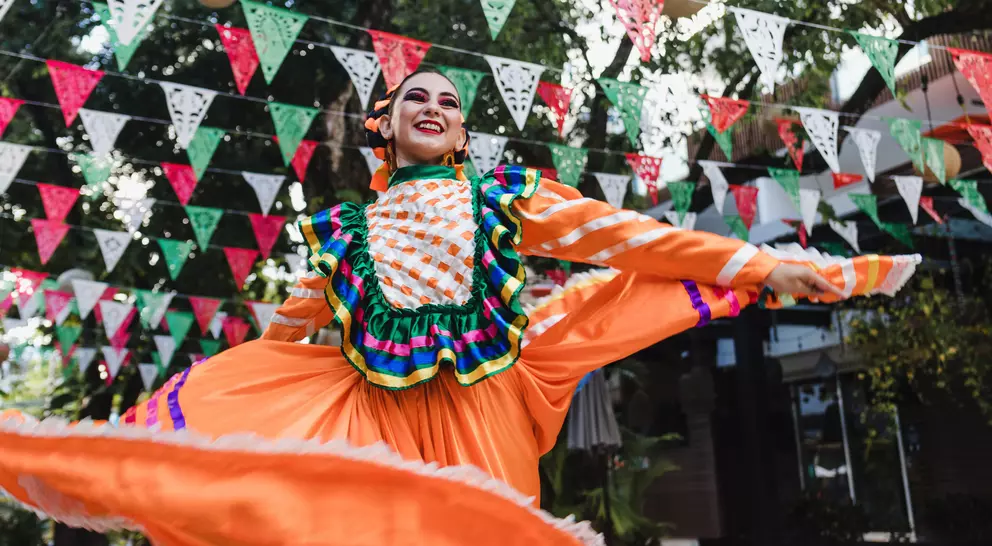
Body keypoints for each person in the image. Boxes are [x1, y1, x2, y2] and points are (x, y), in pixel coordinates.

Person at [0, 70, 920, 545]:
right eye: (415, 99)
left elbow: (637, 240)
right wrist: (240, 407)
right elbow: (291, 328)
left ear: (464, 132)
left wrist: (757, 262)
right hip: (380, 425)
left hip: (487, 419)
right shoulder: (342, 231)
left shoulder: (505, 196)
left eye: (448, 101)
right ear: (386, 126)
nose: (433, 106)